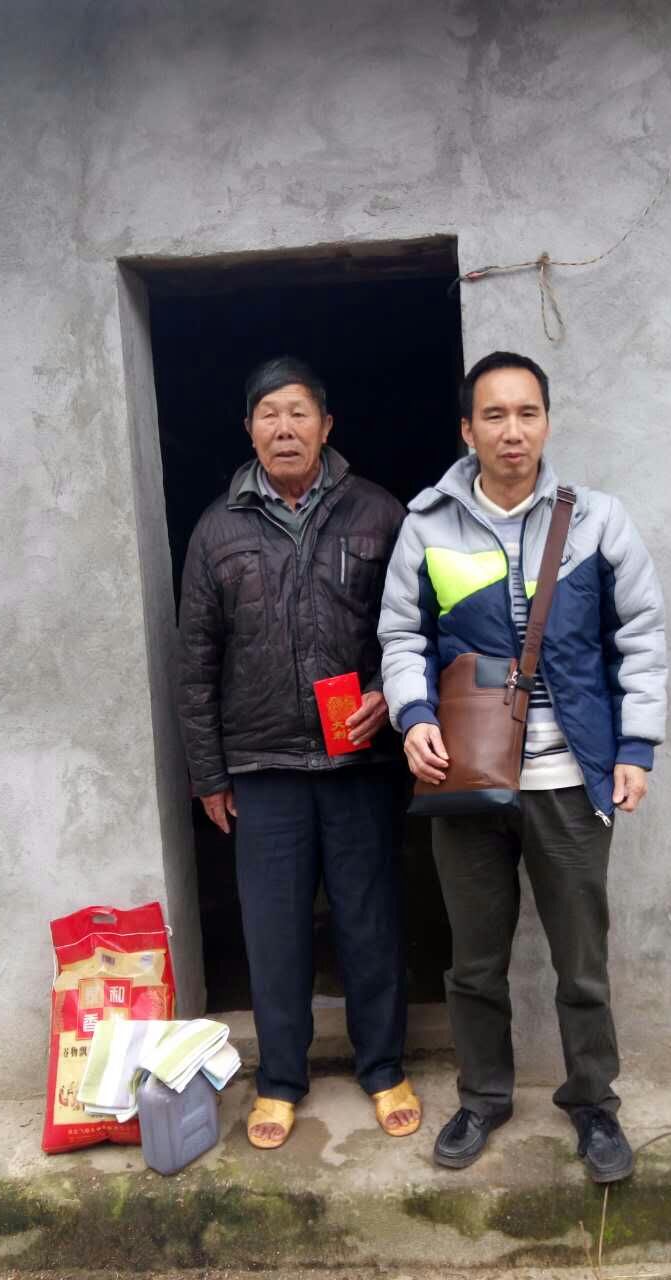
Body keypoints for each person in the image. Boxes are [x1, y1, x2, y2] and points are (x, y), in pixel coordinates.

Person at [378, 351, 666, 1180]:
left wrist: (636, 748)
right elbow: (401, 635)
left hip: (571, 780)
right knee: (474, 964)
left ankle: (594, 1104)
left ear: (546, 422)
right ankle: (483, 1098)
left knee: (582, 963)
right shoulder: (427, 524)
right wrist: (413, 717)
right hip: (466, 779)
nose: (513, 430)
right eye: (495, 415)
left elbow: (640, 635)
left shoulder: (599, 520)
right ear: (468, 430)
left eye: (527, 413)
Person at [177, 355, 420, 1150]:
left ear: (326, 425)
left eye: (299, 413)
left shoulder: (378, 512)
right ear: (249, 428)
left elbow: (416, 624)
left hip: (360, 762)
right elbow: (196, 661)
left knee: (369, 923)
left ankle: (383, 1067)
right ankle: (280, 1079)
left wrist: (388, 691)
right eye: (268, 414)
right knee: (274, 932)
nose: (284, 429)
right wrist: (208, 773)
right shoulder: (217, 529)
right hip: (263, 766)